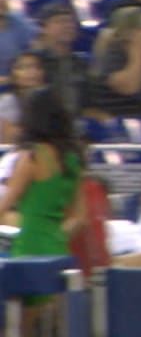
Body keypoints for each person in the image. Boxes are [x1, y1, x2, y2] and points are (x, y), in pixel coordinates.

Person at [0, 87, 84, 336]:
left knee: (24, 326)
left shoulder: (32, 157)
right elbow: (80, 218)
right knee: (52, 325)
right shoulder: (72, 159)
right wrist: (54, 236)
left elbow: (4, 204)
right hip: (57, 247)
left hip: (28, 245)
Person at [0, 51, 46, 143]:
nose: (31, 72)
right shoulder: (8, 101)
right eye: (23, 68)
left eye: (36, 67)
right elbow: (8, 137)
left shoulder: (50, 100)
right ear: (13, 74)